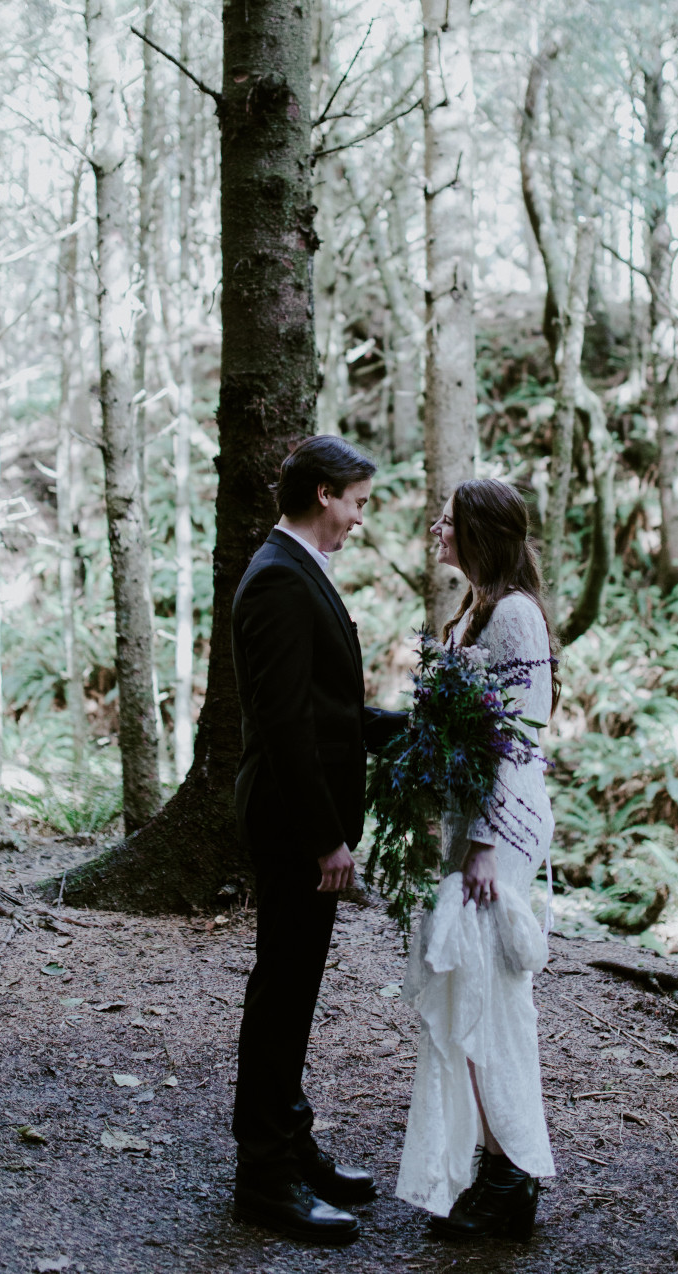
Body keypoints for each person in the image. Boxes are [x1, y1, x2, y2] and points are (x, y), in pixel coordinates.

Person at [230, 435, 407, 1246]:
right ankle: (263, 1176)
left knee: (296, 987)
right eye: (359, 503)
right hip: (294, 824)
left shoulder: (298, 569)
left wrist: (411, 729)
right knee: (282, 989)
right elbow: (283, 724)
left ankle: (291, 1147)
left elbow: (327, 710)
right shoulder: (276, 579)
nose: (360, 519)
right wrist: (326, 840)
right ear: (326, 494)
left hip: (308, 819)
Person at [397, 478, 557, 1241]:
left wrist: (487, 846)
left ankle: (512, 1178)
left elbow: (521, 739)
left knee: (489, 999)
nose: (438, 527)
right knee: (465, 992)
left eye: (451, 520)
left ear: (483, 532)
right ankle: (483, 1164)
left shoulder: (518, 619)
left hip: (502, 834)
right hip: (468, 829)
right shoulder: (473, 611)